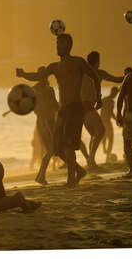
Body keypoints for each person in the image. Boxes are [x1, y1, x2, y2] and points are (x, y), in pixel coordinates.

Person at [16, 33, 101, 188]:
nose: (57, 46)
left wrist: (99, 96)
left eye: (60, 44)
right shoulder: (54, 66)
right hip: (63, 110)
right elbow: (38, 76)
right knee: (57, 147)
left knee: (69, 145)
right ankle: (79, 171)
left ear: (68, 45)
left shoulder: (78, 62)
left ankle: (71, 180)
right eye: (56, 44)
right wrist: (23, 74)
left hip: (75, 107)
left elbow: (94, 76)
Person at [81, 51, 124, 168]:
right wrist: (127, 76)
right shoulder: (98, 73)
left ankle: (91, 161)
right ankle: (90, 160)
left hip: (81, 107)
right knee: (100, 131)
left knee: (94, 134)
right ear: (97, 62)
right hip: (87, 106)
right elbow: (117, 79)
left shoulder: (82, 73)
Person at [25, 66, 60, 185]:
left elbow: (55, 105)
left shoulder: (44, 89)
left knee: (51, 149)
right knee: (50, 149)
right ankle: (41, 176)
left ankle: (40, 175)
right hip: (44, 121)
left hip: (48, 121)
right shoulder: (38, 90)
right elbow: (54, 105)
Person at [100, 87, 119, 161]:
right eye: (114, 93)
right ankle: (107, 153)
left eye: (116, 94)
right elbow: (110, 113)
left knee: (106, 137)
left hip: (104, 121)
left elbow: (110, 113)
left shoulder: (105, 99)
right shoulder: (109, 101)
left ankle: (106, 152)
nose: (115, 95)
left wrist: (116, 119)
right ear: (111, 92)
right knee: (110, 137)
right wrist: (117, 120)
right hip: (105, 121)